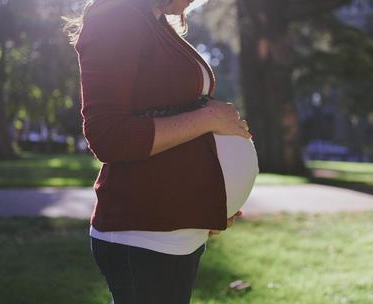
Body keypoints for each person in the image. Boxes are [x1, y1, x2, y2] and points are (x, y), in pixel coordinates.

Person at [63, 0, 259, 303]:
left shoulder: (155, 23)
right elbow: (107, 135)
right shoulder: (117, 16)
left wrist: (206, 203)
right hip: (143, 233)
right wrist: (209, 118)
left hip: (175, 229)